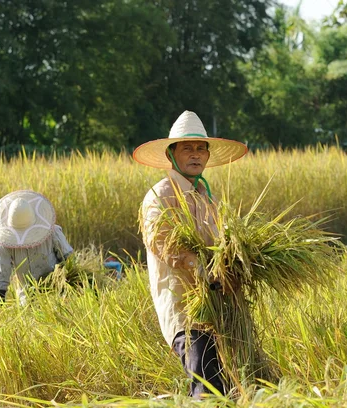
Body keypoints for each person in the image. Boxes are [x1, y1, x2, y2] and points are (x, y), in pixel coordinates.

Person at [133, 110, 248, 399]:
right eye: (187, 148)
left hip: (216, 309)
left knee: (225, 386)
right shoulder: (160, 196)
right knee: (207, 386)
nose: (195, 154)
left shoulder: (208, 198)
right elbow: (162, 241)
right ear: (172, 154)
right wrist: (199, 267)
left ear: (208, 156)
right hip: (184, 308)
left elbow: (223, 244)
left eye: (200, 149)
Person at [0, 190, 73, 305]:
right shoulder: (7, 243)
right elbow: (1, 272)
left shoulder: (53, 233)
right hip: (27, 300)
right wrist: (0, 305)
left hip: (57, 298)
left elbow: (69, 260)